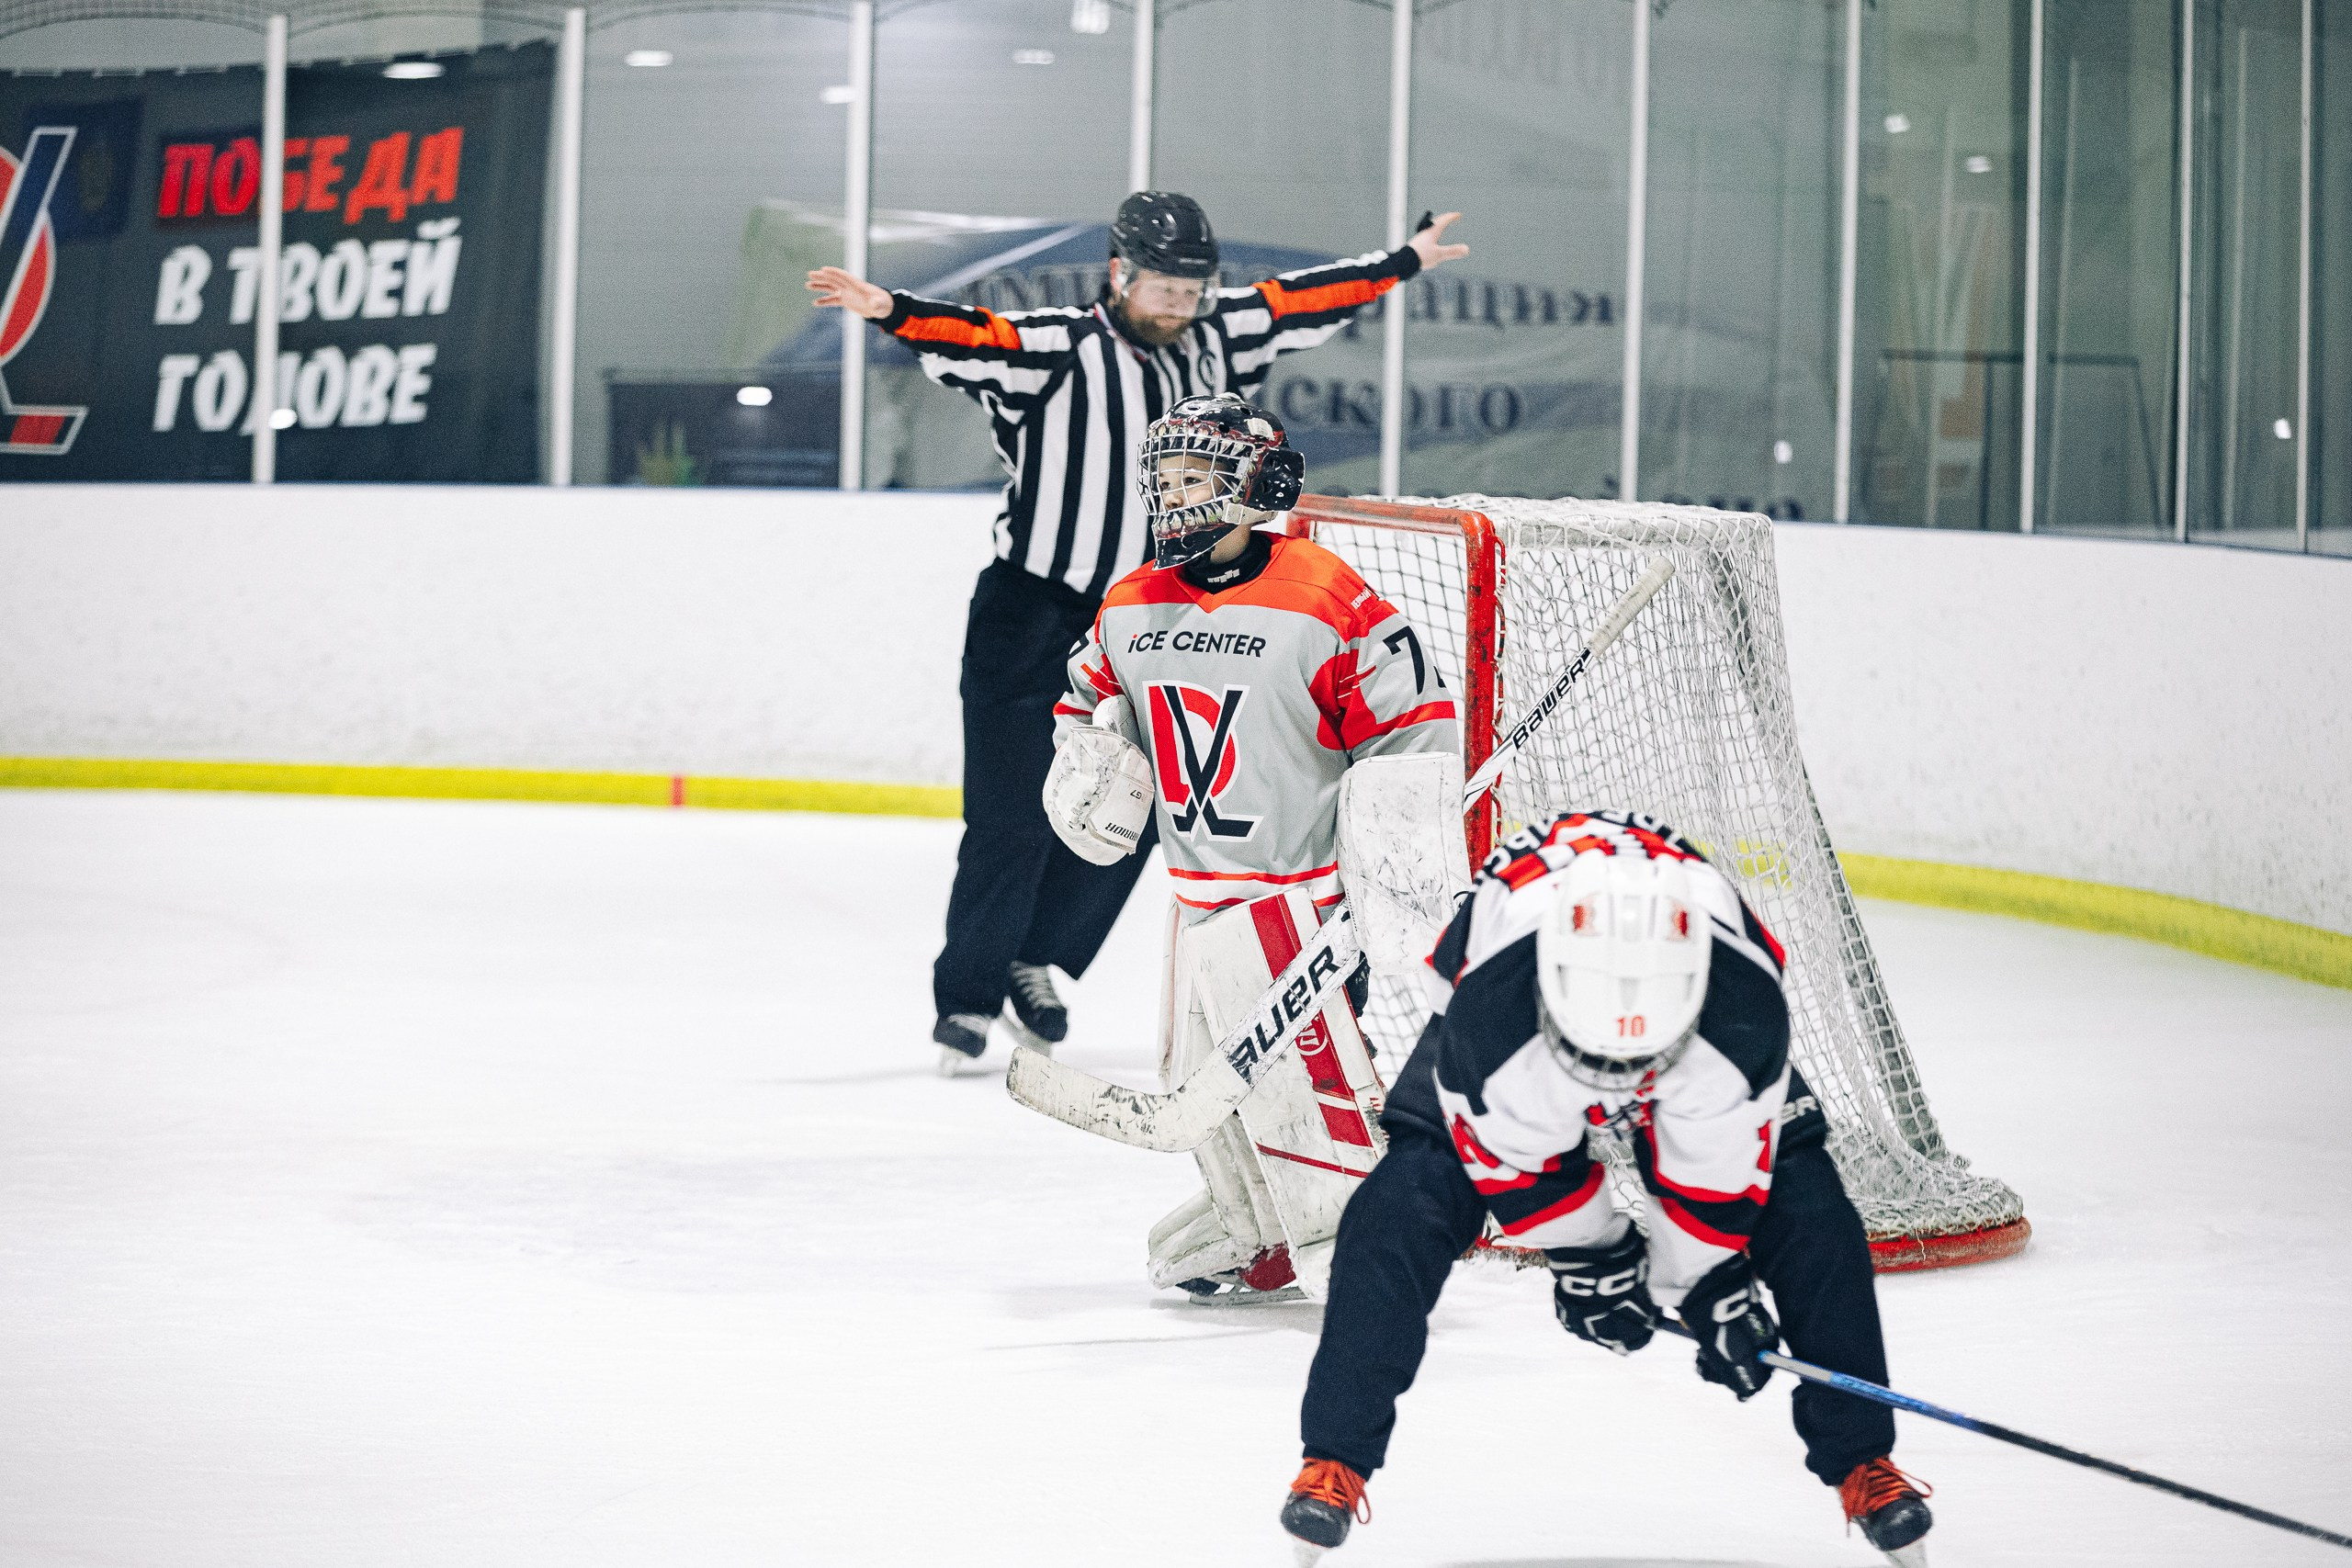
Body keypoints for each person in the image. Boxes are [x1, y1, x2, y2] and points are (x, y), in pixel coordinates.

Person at [807, 194, 1468, 1074]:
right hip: (1031, 608)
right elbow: (978, 337)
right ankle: (966, 997)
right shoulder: (1057, 347)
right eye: (1160, 287)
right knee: (1009, 813)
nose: (1177, 305)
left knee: (1156, 802)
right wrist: (891, 309)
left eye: (1191, 290)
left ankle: (1033, 958)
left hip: (1155, 612)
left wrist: (1404, 262)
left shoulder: (1219, 332)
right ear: (1119, 274)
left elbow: (1304, 299)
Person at [1280, 809, 1935, 1567]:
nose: (1616, 1088)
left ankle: (1862, 1456)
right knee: (1397, 1210)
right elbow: (1523, 1169)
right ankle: (1335, 1457)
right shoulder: (1490, 1014)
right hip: (1522, 1017)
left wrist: (1708, 1285)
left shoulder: (1740, 1010)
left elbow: (1715, 1187)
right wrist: (1595, 1261)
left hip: (1681, 1030)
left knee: (1813, 1213)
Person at [1039, 392, 1472, 1299]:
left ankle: (1372, 1231)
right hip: (1195, 896)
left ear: (1257, 484)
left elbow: (1416, 728)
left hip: (1299, 901)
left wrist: (1392, 863)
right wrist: (1093, 759)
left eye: (1194, 478)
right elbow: (1084, 699)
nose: (1172, 499)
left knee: (1301, 1094)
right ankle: (1259, 1227)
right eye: (1162, 481)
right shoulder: (1130, 600)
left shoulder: (1326, 596)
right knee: (1201, 1088)